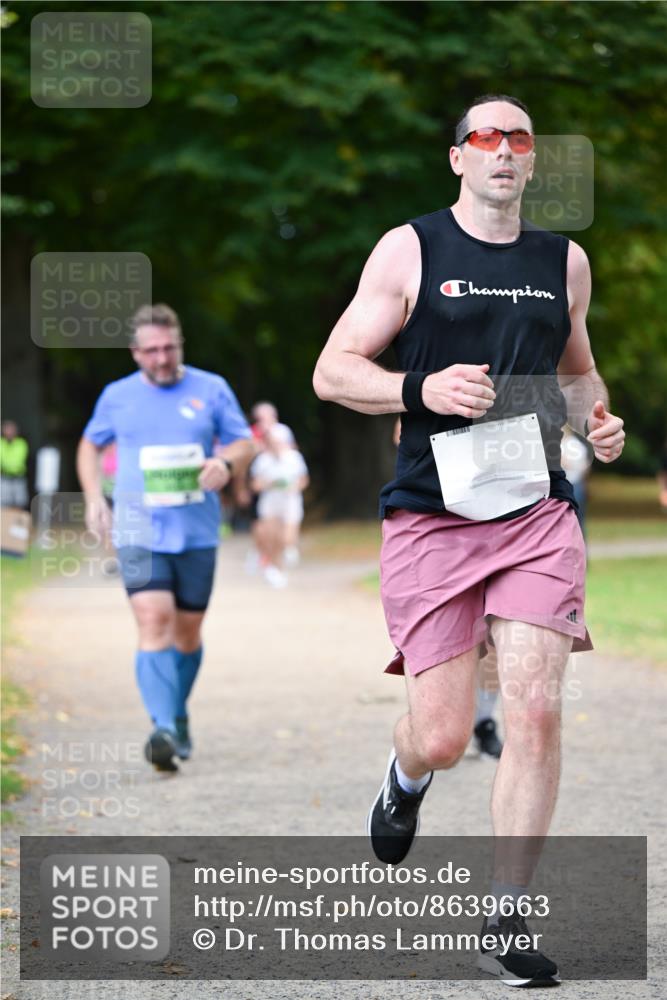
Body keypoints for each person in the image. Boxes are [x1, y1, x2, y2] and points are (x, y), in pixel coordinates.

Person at [313, 94, 625, 985]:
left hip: (534, 512)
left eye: (517, 139)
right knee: (446, 735)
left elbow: (576, 373)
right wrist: (421, 390)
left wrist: (596, 421)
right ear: (457, 158)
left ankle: (507, 917)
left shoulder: (562, 261)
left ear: (531, 162)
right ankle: (406, 772)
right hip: (431, 516)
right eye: (483, 138)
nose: (501, 151)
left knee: (530, 707)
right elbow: (333, 371)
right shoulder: (409, 247)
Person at [77, 303, 254, 771]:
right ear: (135, 352)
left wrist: (226, 463)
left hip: (196, 529)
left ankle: (175, 711)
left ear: (180, 345)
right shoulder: (117, 396)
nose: (162, 358)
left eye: (169, 347)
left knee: (188, 632)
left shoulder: (211, 388)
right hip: (138, 528)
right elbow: (90, 443)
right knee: (153, 619)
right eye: (152, 350)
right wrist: (94, 496)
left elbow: (243, 441)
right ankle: (163, 728)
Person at [394, 416, 503, 760]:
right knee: (454, 641)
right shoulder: (438, 376)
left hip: (511, 520)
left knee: (499, 634)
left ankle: (483, 721)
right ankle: (435, 719)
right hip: (446, 528)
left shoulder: (522, 379)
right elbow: (404, 435)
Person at [249, 423, 309, 588]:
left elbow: (303, 480)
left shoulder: (294, 457)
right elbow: (255, 485)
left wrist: (294, 487)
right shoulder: (263, 460)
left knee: (287, 537)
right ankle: (275, 568)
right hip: (270, 501)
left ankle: (287, 553)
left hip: (290, 500)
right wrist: (267, 484)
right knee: (272, 538)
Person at [1, 419, 29, 509]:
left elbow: (17, 461)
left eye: (11, 429)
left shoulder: (21, 443)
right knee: (3, 504)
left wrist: (6, 465)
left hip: (18, 478)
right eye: (7, 429)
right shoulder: (1, 443)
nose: (9, 432)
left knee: (19, 504)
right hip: (4, 477)